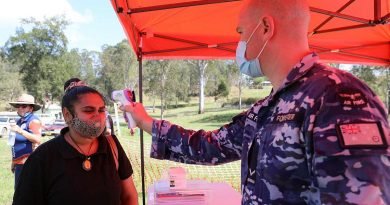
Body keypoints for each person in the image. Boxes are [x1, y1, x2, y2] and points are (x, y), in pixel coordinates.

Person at [120, 0, 390, 204]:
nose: (239, 43)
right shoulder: (268, 108)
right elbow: (210, 147)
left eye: (241, 32)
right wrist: (147, 123)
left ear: (265, 27)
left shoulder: (339, 97)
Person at [13, 80, 138, 205]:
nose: (97, 116)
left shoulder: (112, 146)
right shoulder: (42, 158)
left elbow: (129, 196)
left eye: (101, 110)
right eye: (88, 110)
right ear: (67, 115)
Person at [8, 93, 42, 187]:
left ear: (31, 108)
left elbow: (37, 139)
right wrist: (13, 161)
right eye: (18, 106)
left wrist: (20, 131)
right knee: (19, 194)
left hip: (29, 164)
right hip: (19, 163)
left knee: (25, 196)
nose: (20, 108)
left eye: (24, 106)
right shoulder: (19, 121)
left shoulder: (33, 121)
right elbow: (15, 143)